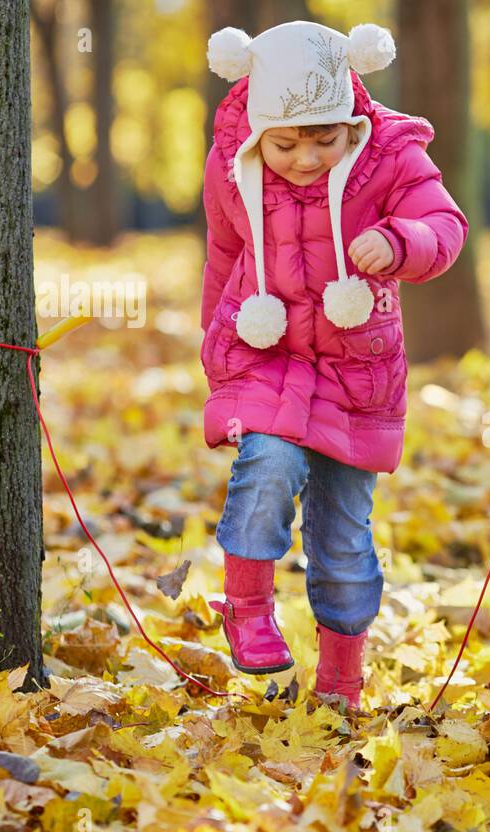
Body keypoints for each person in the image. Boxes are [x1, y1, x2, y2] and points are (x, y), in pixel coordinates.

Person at [199, 20, 468, 710]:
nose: (308, 158)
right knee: (267, 466)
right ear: (259, 133)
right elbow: (225, 255)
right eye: (287, 144)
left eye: (327, 138)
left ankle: (340, 684)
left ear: (352, 117)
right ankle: (247, 608)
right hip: (269, 356)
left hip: (357, 376)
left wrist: (400, 239)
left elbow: (445, 225)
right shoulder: (232, 165)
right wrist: (217, 347)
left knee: (344, 541)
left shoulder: (390, 157)